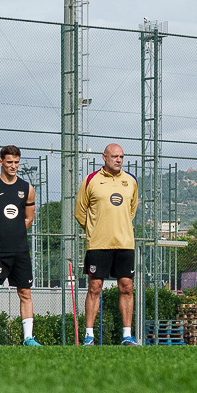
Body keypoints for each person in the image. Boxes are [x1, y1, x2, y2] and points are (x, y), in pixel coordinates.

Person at [76, 142, 141, 345]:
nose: (119, 160)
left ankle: (127, 335)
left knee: (127, 287)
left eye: (121, 157)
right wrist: (96, 231)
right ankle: (89, 335)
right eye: (114, 156)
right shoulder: (91, 181)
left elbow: (131, 211)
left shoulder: (131, 181)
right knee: (95, 288)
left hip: (124, 244)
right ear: (104, 157)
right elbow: (80, 212)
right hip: (98, 245)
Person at [0, 145, 38, 346]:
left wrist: (15, 233)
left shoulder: (27, 189)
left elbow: (28, 219)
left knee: (25, 293)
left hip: (20, 250)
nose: (14, 166)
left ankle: (28, 337)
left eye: (17, 162)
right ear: (1, 162)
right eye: (10, 162)